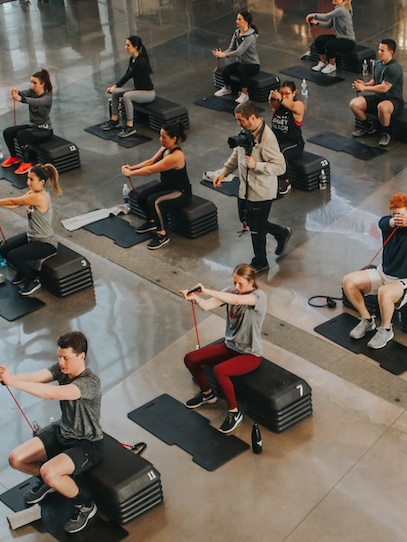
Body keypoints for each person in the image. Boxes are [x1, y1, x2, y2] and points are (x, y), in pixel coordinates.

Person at [0, 330, 103, 534]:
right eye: (59, 357)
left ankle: (85, 505)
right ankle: (50, 482)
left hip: (86, 443)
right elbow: (37, 377)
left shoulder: (89, 383)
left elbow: (54, 394)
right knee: (16, 459)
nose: (61, 362)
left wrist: (14, 383)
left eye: (66, 358)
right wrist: (10, 377)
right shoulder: (62, 370)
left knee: (48, 471)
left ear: (81, 356)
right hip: (62, 431)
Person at [182, 265, 266, 435]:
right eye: (234, 282)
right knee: (190, 358)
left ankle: (234, 413)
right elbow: (207, 306)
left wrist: (206, 290)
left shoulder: (258, 297)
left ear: (251, 281)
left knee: (220, 371)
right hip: (230, 347)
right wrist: (196, 298)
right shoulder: (231, 291)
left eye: (240, 283)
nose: (236, 287)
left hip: (250, 354)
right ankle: (207, 394)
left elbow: (235, 301)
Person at [342, 193, 407, 350]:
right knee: (348, 281)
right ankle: (367, 320)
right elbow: (383, 223)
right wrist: (394, 221)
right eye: (395, 214)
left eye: (402, 214)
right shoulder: (387, 224)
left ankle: (386, 330)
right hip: (383, 274)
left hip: (406, 281)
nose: (398, 217)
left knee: (384, 293)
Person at [213, 101, 288, 270]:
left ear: (252, 117)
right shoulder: (246, 132)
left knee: (256, 227)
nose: (238, 123)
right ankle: (281, 232)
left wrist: (257, 165)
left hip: (261, 192)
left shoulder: (267, 138)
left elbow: (280, 166)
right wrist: (224, 172)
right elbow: (237, 153)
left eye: (241, 120)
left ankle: (260, 260)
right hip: (245, 189)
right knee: (247, 219)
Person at [0, 163, 61, 294]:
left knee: (14, 256)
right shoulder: (33, 193)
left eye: (31, 179)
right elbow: (15, 205)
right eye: (28, 178)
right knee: (4, 250)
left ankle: (33, 278)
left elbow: (13, 201)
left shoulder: (40, 197)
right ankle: (24, 271)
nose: (28, 182)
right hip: (32, 236)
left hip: (45, 242)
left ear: (41, 182)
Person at [122, 121, 190, 251]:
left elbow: (151, 170)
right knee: (142, 196)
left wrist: (131, 173)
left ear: (173, 138)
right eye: (160, 136)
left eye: (163, 137)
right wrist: (132, 167)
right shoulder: (165, 148)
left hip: (180, 192)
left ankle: (162, 235)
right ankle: (152, 222)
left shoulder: (176, 156)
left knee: (154, 201)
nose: (160, 140)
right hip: (167, 186)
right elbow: (151, 162)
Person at [350, 38, 404, 147]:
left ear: (391, 52)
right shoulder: (378, 64)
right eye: (379, 49)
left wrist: (364, 89)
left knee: (382, 107)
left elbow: (384, 88)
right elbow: (375, 81)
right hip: (379, 97)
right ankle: (368, 128)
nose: (379, 52)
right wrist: (364, 84)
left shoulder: (394, 68)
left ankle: (386, 133)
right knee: (354, 104)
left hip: (393, 100)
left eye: (382, 50)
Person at [0, 70, 55, 175]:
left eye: (35, 83)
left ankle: (27, 163)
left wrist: (20, 99)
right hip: (33, 127)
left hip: (44, 130)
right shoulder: (31, 92)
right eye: (31, 82)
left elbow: (36, 102)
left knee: (22, 135)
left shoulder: (47, 97)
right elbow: (23, 93)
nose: (32, 85)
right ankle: (14, 157)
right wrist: (16, 92)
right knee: (8, 132)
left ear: (42, 84)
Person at [102, 35, 155, 138]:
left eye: (128, 45)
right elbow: (127, 74)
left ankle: (130, 127)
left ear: (135, 47)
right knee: (116, 93)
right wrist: (115, 88)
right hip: (138, 90)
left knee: (127, 96)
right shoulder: (133, 59)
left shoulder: (141, 62)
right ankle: (114, 120)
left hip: (148, 93)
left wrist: (115, 86)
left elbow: (128, 76)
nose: (125, 47)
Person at [305, 0, 355, 74]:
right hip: (339, 38)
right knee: (319, 40)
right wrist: (315, 22)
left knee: (330, 44)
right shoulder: (337, 10)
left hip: (348, 41)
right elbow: (328, 25)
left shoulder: (342, 10)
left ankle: (332, 65)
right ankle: (323, 62)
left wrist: (313, 15)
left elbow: (326, 16)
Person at [212, 10, 261, 98]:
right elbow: (232, 48)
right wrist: (221, 53)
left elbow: (239, 52)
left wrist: (224, 55)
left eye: (239, 19)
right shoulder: (236, 33)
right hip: (241, 63)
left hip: (252, 65)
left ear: (246, 21)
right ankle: (227, 88)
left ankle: (245, 94)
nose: (236, 21)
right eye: (237, 19)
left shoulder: (250, 37)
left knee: (241, 69)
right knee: (226, 70)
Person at [269, 80, 307, 186]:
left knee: (280, 154)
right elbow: (272, 103)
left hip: (294, 144)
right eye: (282, 93)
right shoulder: (277, 106)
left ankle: (284, 181)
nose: (284, 96)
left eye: (287, 93)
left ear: (294, 93)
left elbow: (292, 106)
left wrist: (280, 98)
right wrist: (272, 96)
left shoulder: (298, 105)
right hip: (277, 142)